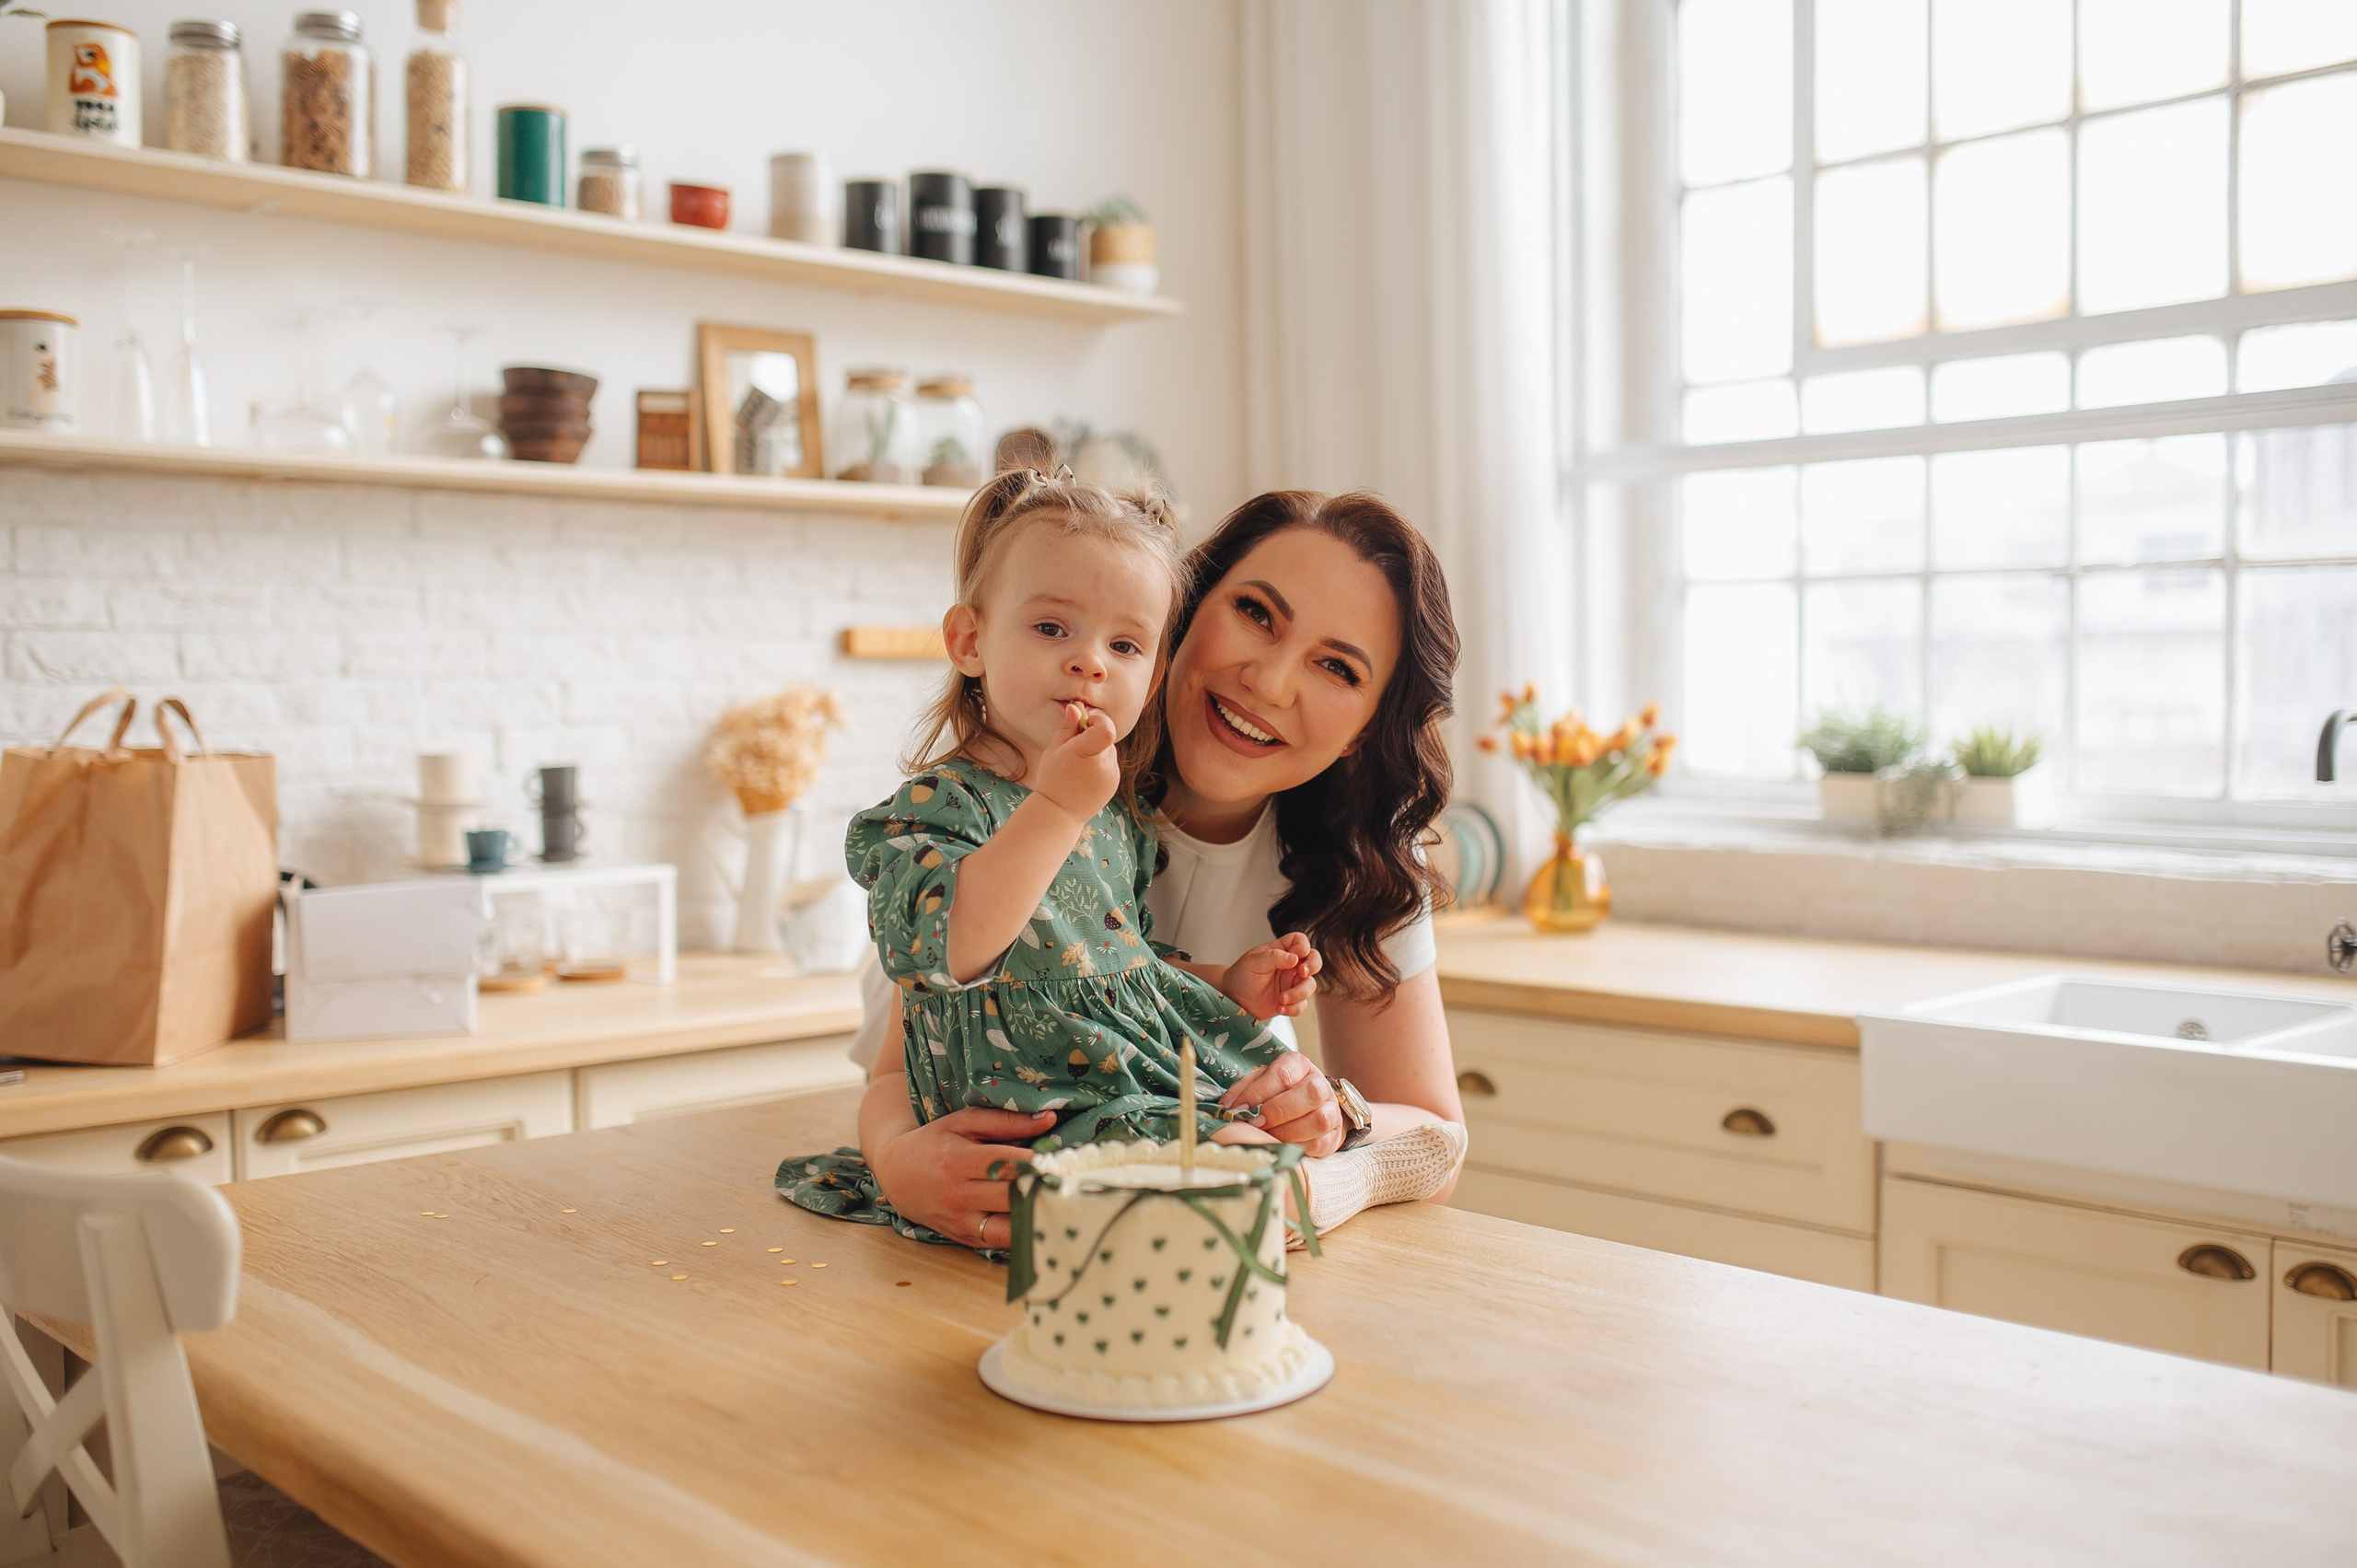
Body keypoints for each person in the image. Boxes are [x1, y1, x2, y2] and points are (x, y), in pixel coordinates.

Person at [813, 487, 1469, 1252]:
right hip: (965, 1144)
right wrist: (895, 1163)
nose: (1272, 681)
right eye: (1256, 613)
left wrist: (1332, 1117)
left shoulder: (1365, 858)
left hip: (1140, 1171)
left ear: (1364, 730)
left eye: (1337, 667)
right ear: (1182, 622)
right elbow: (906, 1061)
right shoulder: (1020, 793)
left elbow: (1436, 1140)